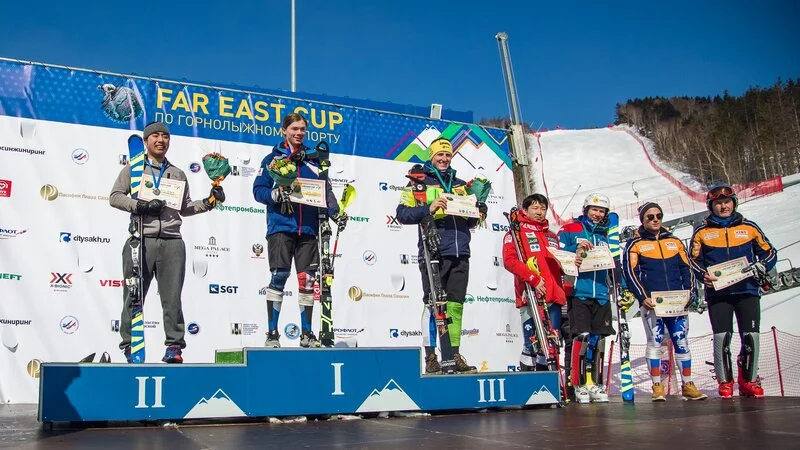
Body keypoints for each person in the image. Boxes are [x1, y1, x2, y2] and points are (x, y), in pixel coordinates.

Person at [110, 121, 224, 363]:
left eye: (165, 136)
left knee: (172, 298)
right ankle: (130, 344)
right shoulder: (134, 169)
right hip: (140, 240)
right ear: (146, 141)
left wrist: (210, 201)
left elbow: (185, 208)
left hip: (172, 242)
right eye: (155, 136)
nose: (161, 140)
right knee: (133, 296)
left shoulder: (178, 174)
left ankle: (174, 346)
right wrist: (139, 205)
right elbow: (115, 197)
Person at [253, 113, 345, 348]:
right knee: (279, 276)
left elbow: (325, 191)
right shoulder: (272, 159)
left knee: (307, 282)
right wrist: (275, 194)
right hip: (281, 226)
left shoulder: (314, 160)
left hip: (309, 229)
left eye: (302, 129)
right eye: (294, 128)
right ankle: (272, 334)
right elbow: (258, 190)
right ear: (284, 130)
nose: (299, 133)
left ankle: (306, 334)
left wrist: (336, 213)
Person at [396, 137, 486, 374]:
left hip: (460, 251)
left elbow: (469, 219)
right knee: (432, 304)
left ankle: (453, 354)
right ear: (432, 157)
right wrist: (429, 207)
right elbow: (402, 214)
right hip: (433, 250)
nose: (444, 159)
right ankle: (431, 356)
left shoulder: (460, 185)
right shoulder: (419, 182)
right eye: (440, 155)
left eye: (448, 155)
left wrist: (479, 210)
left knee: (455, 306)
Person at [689, 184, 777, 398]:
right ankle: (725, 381)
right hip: (718, 293)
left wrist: (762, 265)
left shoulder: (749, 227)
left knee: (751, 336)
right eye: (718, 203)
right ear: (711, 206)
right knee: (722, 337)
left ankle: (748, 380)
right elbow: (692, 260)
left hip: (747, 290)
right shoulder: (702, 232)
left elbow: (770, 252)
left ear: (734, 203)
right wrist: (703, 275)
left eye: (727, 202)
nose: (723, 206)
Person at [622, 202, 708, 401]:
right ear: (643, 219)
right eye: (650, 217)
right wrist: (642, 297)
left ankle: (688, 384)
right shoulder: (635, 244)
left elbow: (686, 268)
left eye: (658, 216)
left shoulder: (674, 242)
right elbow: (630, 272)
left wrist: (690, 292)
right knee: (655, 342)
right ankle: (656, 386)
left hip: (677, 302)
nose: (655, 220)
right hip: (654, 303)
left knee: (681, 341)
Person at [557, 193, 616, 403]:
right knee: (580, 337)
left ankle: (595, 383)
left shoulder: (605, 234)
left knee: (598, 339)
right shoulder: (570, 229)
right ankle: (578, 383)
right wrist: (576, 249)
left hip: (601, 293)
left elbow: (613, 263)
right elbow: (557, 253)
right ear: (585, 209)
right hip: (578, 292)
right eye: (594, 209)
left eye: (601, 211)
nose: (597, 214)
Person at [501, 194, 567, 371]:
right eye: (535, 208)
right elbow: (510, 261)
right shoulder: (515, 234)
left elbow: (558, 265)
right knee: (532, 343)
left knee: (551, 344)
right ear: (525, 210)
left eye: (543, 208)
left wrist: (569, 264)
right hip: (531, 294)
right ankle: (528, 381)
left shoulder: (551, 236)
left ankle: (547, 382)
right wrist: (533, 279)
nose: (539, 212)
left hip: (553, 295)